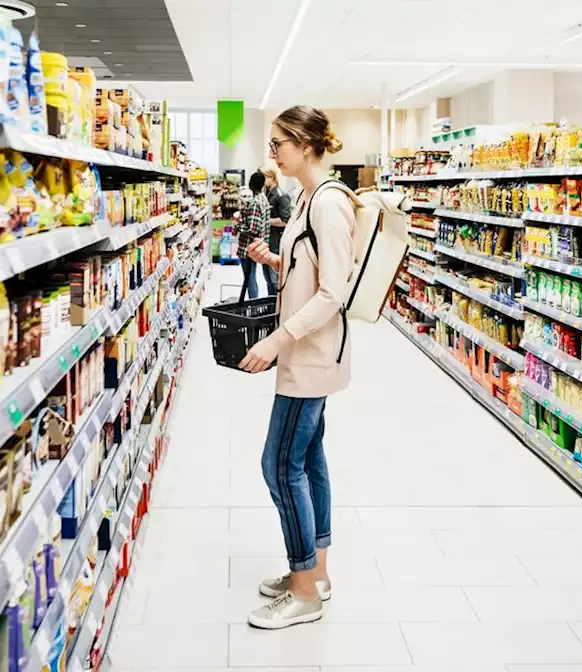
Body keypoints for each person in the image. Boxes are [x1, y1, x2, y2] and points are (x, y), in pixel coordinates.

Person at [239, 105, 353, 630]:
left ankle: (304, 589)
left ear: (306, 144)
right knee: (308, 460)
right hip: (305, 352)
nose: (273, 153)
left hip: (308, 354)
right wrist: (273, 261)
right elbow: (312, 270)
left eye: (278, 143)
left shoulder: (330, 203)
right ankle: (317, 573)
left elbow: (335, 290)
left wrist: (276, 340)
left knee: (279, 465)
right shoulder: (309, 197)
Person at [233, 171, 270, 300]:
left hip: (249, 247)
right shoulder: (264, 199)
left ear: (250, 184)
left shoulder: (255, 203)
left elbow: (253, 229)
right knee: (251, 277)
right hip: (260, 244)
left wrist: (238, 226)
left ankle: (252, 304)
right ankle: (251, 302)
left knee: (249, 278)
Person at [261, 168, 291, 296]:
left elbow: (285, 220)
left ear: (271, 178)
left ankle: (275, 308)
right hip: (267, 241)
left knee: (274, 280)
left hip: (276, 242)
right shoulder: (266, 194)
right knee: (267, 278)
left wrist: (266, 221)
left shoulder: (281, 196)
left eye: (264, 178)